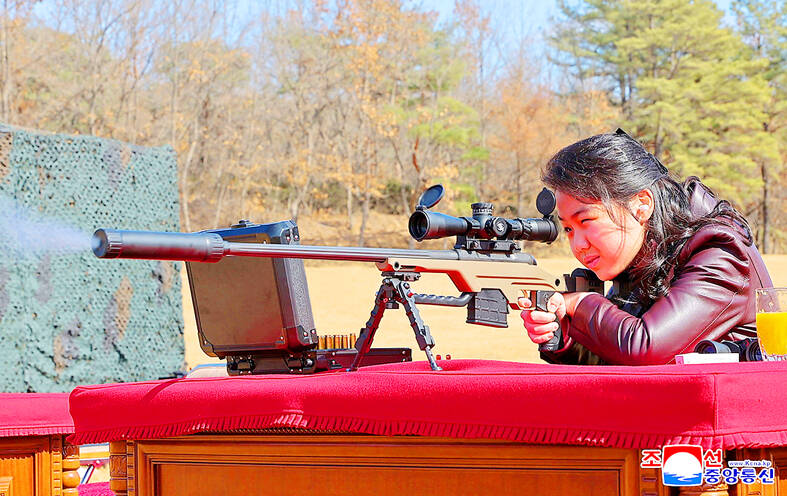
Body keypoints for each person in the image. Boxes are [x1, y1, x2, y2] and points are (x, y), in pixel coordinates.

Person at [519, 129, 773, 365]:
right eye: (568, 229)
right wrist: (565, 333)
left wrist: (581, 304)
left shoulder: (719, 251)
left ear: (642, 205)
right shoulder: (643, 255)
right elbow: (613, 364)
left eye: (586, 221)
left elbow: (646, 348)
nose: (578, 245)